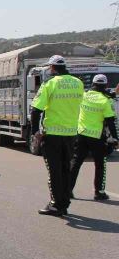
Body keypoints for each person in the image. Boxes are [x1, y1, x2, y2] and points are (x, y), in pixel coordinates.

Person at [30, 55, 84, 216]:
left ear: (52, 68)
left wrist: (35, 132)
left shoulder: (49, 84)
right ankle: (64, 202)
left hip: (53, 134)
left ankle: (56, 205)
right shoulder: (78, 83)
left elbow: (35, 110)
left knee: (54, 172)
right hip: (71, 134)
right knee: (66, 169)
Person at [69, 74, 118, 201]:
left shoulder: (84, 96)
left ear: (93, 84)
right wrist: (116, 138)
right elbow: (110, 121)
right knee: (100, 164)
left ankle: (67, 190)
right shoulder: (105, 100)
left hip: (81, 134)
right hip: (96, 136)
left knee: (76, 162)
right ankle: (99, 192)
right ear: (105, 85)